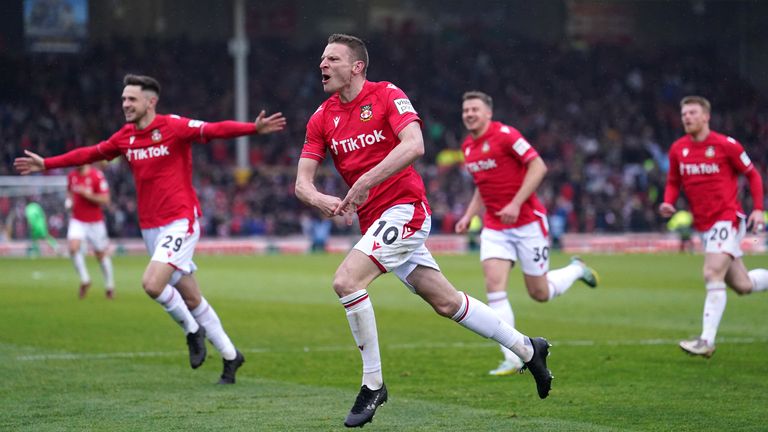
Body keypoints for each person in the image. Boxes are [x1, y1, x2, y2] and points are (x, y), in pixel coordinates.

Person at [295, 34, 553, 428]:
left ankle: (373, 384)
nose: (323, 66)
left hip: (406, 210)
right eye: (322, 59)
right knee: (447, 303)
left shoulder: (386, 95)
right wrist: (321, 200)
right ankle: (527, 348)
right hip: (376, 222)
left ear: (357, 66)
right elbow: (302, 183)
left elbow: (414, 145)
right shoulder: (321, 117)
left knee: (347, 281)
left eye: (332, 59)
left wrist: (364, 181)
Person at [15, 74, 287, 383]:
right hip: (150, 227)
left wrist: (254, 128)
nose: (125, 105)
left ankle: (192, 331)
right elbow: (91, 153)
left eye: (131, 99)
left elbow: (213, 130)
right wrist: (47, 163)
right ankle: (230, 355)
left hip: (180, 220)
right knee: (193, 298)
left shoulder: (173, 127)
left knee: (152, 284)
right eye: (123, 99)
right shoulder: (125, 137)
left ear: (150, 101)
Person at [454, 91, 599, 376]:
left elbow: (538, 166)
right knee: (494, 286)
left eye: (474, 109)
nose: (469, 114)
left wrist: (516, 202)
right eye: (465, 110)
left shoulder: (506, 135)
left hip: (527, 222)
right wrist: (469, 215)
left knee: (540, 293)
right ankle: (513, 355)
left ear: (488, 113)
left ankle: (576, 269)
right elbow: (482, 187)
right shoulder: (468, 146)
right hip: (496, 227)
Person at [659, 95, 767, 358]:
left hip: (727, 217)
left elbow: (752, 174)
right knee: (742, 285)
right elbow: (674, 181)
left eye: (692, 113)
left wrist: (757, 209)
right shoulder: (678, 149)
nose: (687, 117)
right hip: (706, 225)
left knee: (711, 273)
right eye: (684, 113)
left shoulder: (725, 145)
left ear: (706, 116)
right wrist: (668, 202)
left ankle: (706, 341)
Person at [66, 163, 115, 299]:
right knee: (73, 247)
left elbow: (105, 199)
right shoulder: (72, 176)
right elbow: (70, 192)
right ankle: (85, 280)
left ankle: (109, 287)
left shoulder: (97, 176)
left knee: (100, 254)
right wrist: (68, 202)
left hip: (95, 221)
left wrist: (87, 194)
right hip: (77, 219)